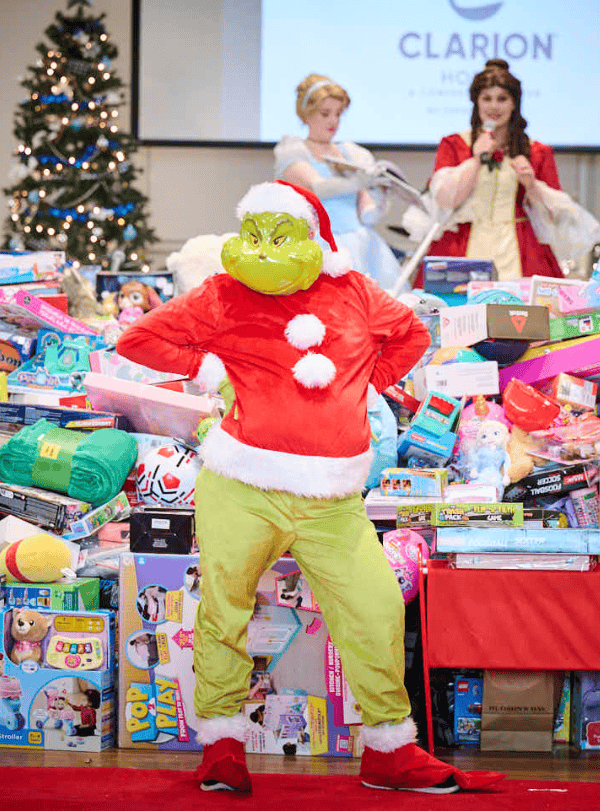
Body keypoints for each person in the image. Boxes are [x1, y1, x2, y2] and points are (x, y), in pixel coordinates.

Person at [116, 180, 502, 796]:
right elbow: (137, 339)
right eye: (257, 233)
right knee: (224, 611)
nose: (267, 249)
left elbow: (411, 333)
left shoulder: (352, 288)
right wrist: (210, 367)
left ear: (315, 237)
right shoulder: (222, 291)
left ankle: (389, 750)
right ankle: (222, 746)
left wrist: (364, 383)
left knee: (374, 609)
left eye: (283, 233)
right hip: (242, 483)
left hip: (333, 497)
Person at [410, 59, 566, 286]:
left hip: (521, 250)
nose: (494, 106)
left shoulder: (537, 151)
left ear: (514, 103)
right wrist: (475, 159)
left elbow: (555, 217)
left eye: (502, 99)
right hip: (462, 245)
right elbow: (445, 201)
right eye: (487, 98)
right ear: (477, 102)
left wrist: (531, 185)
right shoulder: (454, 144)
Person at [274, 73, 402, 289]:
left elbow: (368, 213)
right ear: (306, 115)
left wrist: (380, 194)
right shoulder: (294, 151)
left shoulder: (352, 153)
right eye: (325, 113)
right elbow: (318, 187)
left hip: (360, 246)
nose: (333, 121)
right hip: (317, 244)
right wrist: (362, 181)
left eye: (338, 114)